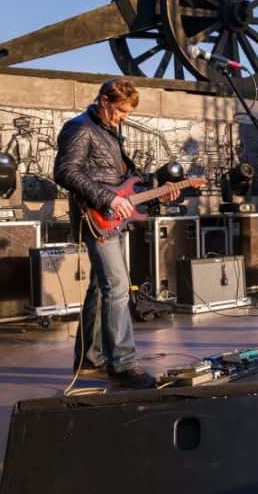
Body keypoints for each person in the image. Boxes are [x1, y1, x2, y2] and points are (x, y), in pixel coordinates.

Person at [54, 78, 173, 389]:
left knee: (100, 286)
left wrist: (157, 191)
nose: (124, 117)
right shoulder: (79, 127)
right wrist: (108, 199)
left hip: (113, 217)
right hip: (97, 216)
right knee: (118, 287)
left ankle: (89, 359)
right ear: (104, 100)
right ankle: (122, 363)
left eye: (127, 111)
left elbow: (122, 179)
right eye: (121, 110)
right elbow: (65, 171)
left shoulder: (110, 131)